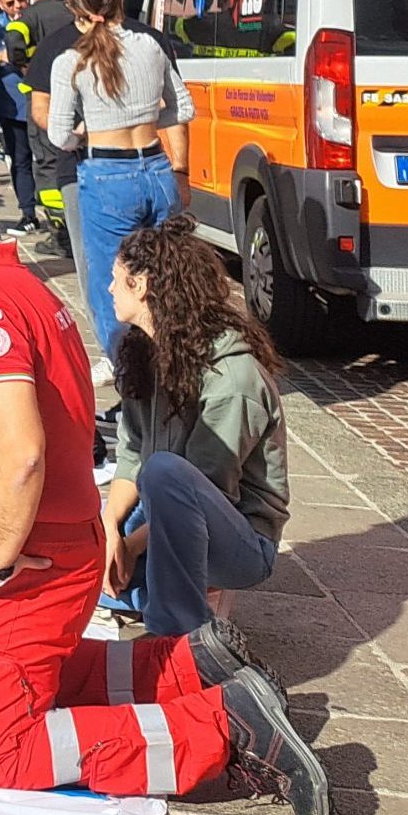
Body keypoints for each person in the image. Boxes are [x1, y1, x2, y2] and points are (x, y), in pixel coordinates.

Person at [0, 175, 329, 815]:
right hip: (51, 547)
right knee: (45, 676)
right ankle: (188, 664)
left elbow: (23, 453)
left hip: (28, 556)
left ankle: (225, 728)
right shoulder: (23, 288)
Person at [101, 216, 291, 638]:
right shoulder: (144, 353)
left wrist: (127, 550)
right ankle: (156, 588)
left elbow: (204, 491)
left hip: (237, 540)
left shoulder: (232, 379)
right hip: (157, 517)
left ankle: (178, 635)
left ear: (143, 285)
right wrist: (109, 529)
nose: (110, 288)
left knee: (165, 472)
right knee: (73, 553)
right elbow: (132, 452)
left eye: (117, 279)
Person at [47, 0, 193, 360]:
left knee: (113, 283)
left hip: (107, 173)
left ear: (77, 14)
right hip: (157, 167)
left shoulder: (70, 62)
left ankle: (132, 384)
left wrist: (90, 129)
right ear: (118, 3)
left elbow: (59, 135)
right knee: (168, 275)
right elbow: (183, 107)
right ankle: (178, 364)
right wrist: (143, 118)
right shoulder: (149, 46)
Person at [7, 0, 75, 254]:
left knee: (47, 162)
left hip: (43, 98)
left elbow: (13, 39)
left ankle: (61, 235)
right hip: (77, 97)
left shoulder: (31, 15)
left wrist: (23, 66)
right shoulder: (75, 12)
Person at [0, 0, 43, 235]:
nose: (18, 6)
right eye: (10, 3)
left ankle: (58, 215)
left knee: (49, 160)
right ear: (1, 5)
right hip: (12, 106)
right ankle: (28, 213)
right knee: (20, 159)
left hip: (42, 101)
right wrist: (0, 57)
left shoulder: (36, 20)